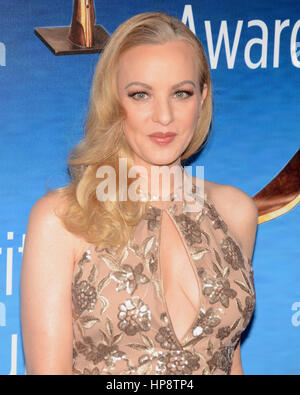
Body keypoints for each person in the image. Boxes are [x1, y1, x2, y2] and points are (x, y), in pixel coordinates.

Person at [20, 11, 258, 375]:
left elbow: (229, 357)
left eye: (181, 93)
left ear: (202, 96)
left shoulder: (235, 211)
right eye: (141, 94)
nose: (164, 116)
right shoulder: (62, 218)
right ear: (113, 100)